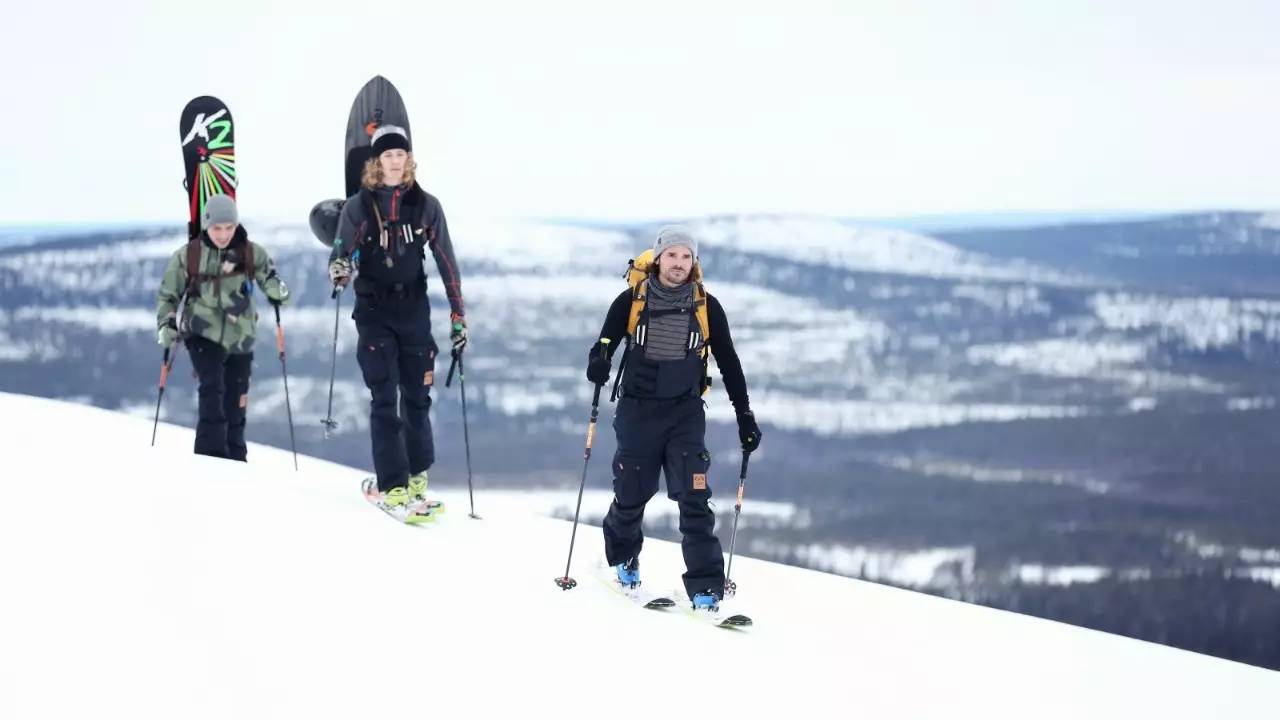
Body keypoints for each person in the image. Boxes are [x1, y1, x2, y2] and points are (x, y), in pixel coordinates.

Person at [586, 225, 762, 611]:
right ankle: (622, 558)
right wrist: (598, 362)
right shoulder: (631, 300)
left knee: (694, 497)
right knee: (632, 493)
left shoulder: (706, 306)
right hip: (637, 411)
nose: (679, 263)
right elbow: (603, 345)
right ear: (658, 258)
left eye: (686, 256)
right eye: (672, 255)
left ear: (694, 262)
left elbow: (730, 363)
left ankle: (706, 587)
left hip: (685, 413)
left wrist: (744, 416)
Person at [327, 125, 467, 511]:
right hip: (373, 311)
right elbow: (341, 251)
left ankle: (417, 477)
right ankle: (393, 485)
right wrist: (340, 271)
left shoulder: (426, 205)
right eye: (387, 155)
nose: (394, 161)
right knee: (384, 398)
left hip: (414, 311)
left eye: (400, 154)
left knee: (418, 398)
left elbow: (447, 262)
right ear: (377, 161)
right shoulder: (359, 206)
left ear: (409, 160)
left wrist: (458, 316)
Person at [155, 194, 291, 461]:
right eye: (217, 228)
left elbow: (274, 283)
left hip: (241, 337)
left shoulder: (251, 253)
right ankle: (210, 459)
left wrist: (278, 291)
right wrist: (167, 323)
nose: (223, 234)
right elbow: (169, 295)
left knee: (236, 403)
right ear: (207, 225)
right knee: (212, 390)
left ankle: (236, 459)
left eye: (229, 227)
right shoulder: (189, 256)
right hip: (201, 333)